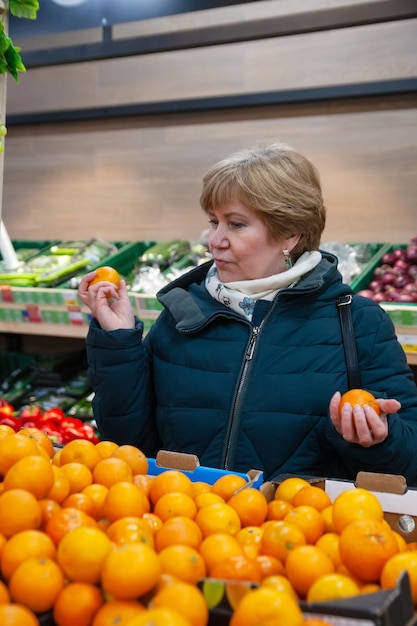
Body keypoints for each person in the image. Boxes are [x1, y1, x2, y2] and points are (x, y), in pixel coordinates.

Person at [78, 142, 417, 485]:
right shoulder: (183, 315)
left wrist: (378, 441)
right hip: (184, 523)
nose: (215, 241)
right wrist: (119, 341)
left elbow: (410, 463)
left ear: (290, 233)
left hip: (297, 527)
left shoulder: (358, 323)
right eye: (214, 222)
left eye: (236, 224)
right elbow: (128, 446)